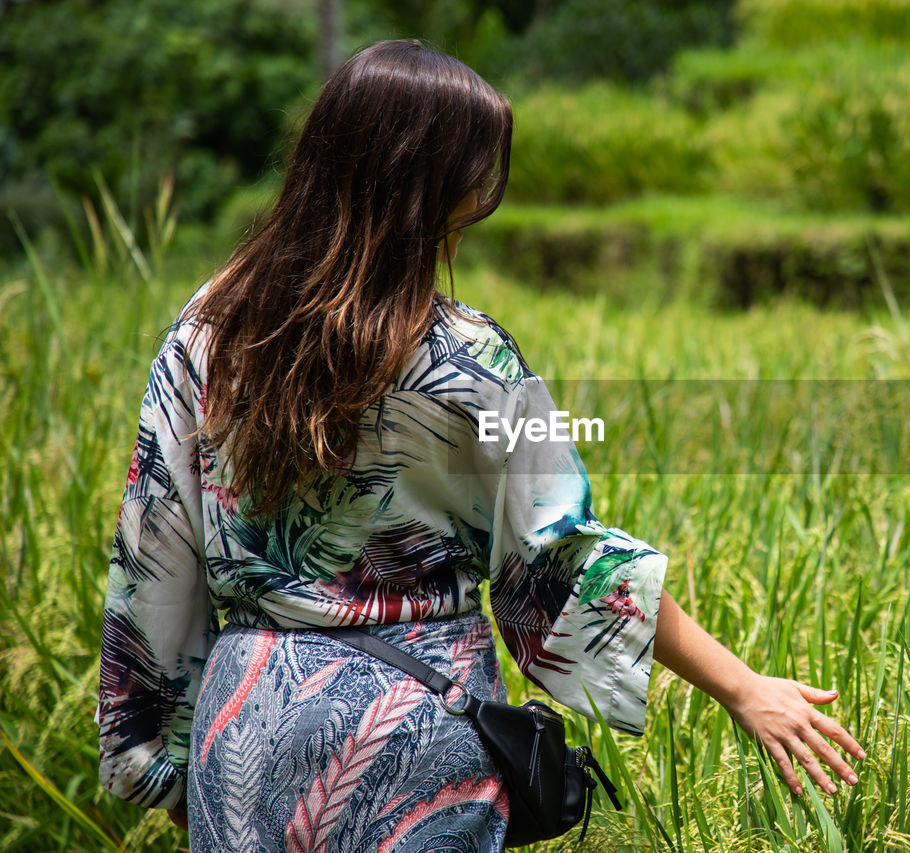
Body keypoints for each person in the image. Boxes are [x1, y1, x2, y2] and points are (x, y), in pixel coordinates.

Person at [97, 40, 865, 852]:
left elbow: (153, 557)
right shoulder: (474, 359)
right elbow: (566, 559)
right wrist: (744, 688)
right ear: (426, 186)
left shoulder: (206, 334)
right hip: (418, 730)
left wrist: (165, 766)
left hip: (244, 730)